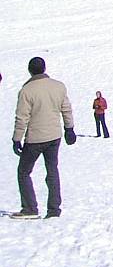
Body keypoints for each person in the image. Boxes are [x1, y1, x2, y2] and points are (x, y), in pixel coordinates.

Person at [11, 56, 75, 219]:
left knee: (24, 172)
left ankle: (30, 208)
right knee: (52, 171)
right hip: (54, 136)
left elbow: (22, 117)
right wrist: (69, 129)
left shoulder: (27, 90)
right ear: (44, 68)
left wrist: (17, 138)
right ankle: (54, 210)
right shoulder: (58, 86)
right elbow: (66, 109)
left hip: (35, 138)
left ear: (30, 70)